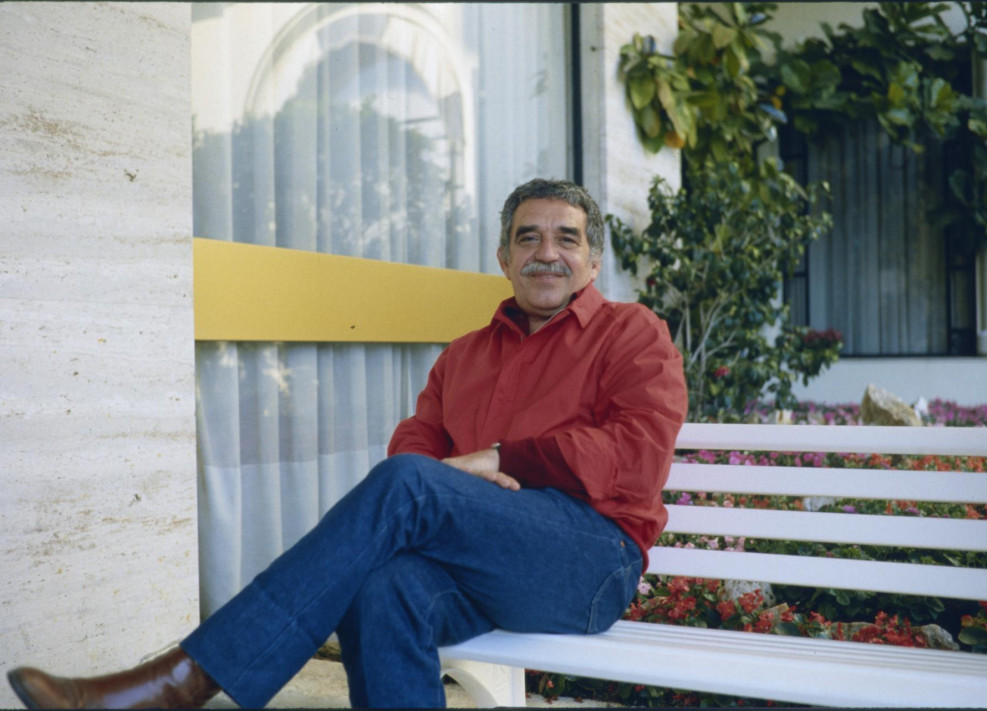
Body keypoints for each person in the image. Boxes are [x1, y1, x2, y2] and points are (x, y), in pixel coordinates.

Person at [7, 178, 687, 709]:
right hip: (482, 568)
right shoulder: (464, 355)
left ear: (593, 259)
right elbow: (416, 445)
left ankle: (185, 679)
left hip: (589, 564)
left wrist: (503, 459)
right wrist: (455, 489)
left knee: (410, 484)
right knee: (383, 588)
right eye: (528, 236)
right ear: (503, 257)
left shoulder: (631, 333)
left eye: (567, 238)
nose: (547, 252)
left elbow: (638, 452)